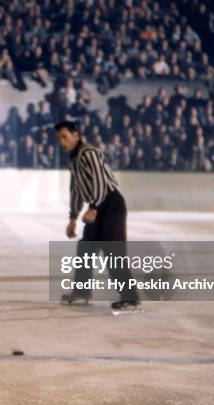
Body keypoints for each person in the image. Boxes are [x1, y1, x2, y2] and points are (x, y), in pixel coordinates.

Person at [54, 121, 141, 314]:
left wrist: (94, 207)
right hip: (97, 205)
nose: (61, 141)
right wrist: (73, 217)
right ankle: (82, 293)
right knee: (85, 247)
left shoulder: (88, 153)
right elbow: (76, 190)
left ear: (75, 135)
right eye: (59, 138)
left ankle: (131, 299)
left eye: (64, 137)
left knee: (114, 252)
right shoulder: (73, 161)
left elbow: (100, 181)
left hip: (110, 204)